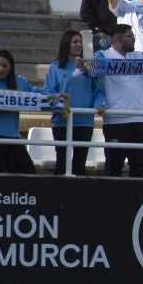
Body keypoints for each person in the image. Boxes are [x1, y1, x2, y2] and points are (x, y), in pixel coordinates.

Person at [94, 24, 143, 177]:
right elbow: (89, 71)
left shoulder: (141, 56)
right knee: (114, 168)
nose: (134, 39)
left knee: (140, 168)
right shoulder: (102, 56)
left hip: (140, 120)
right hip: (115, 121)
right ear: (117, 39)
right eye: (130, 36)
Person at [43, 31, 100, 176]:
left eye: (80, 42)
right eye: (75, 41)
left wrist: (100, 104)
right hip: (62, 122)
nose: (79, 45)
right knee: (62, 162)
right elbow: (47, 93)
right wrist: (58, 97)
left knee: (80, 165)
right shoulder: (54, 67)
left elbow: (98, 90)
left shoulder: (89, 66)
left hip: (84, 122)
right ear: (66, 44)